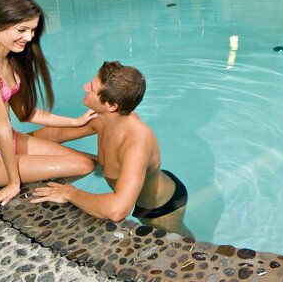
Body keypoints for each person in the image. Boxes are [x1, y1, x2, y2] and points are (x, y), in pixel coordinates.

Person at [0, 0, 96, 213]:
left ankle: (39, 180)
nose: (28, 37)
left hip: (12, 142)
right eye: (21, 30)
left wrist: (75, 122)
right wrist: (13, 183)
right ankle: (37, 190)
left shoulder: (9, 60)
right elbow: (1, 126)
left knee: (93, 161)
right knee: (83, 165)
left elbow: (25, 113)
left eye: (32, 30)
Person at [30, 61, 191, 236]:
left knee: (180, 247)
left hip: (160, 207)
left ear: (111, 105)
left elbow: (117, 210)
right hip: (139, 186)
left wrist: (70, 193)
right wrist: (11, 142)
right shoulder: (102, 118)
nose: (85, 87)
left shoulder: (136, 143)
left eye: (92, 88)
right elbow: (54, 135)